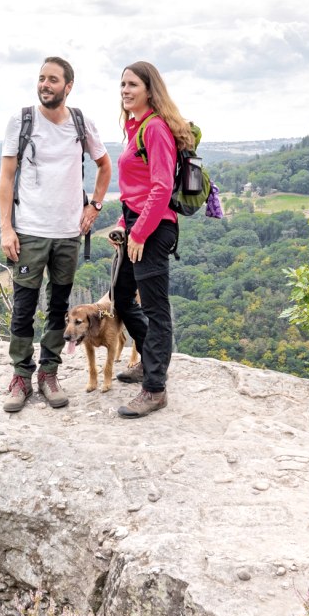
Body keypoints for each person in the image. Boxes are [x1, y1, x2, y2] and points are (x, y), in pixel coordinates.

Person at [0, 56, 112, 413]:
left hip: (67, 233)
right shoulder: (22, 119)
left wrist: (94, 206)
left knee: (59, 307)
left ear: (68, 86)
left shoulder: (80, 122)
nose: (45, 84)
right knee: (24, 307)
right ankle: (20, 377)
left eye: (53, 79)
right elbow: (5, 178)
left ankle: (48, 373)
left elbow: (105, 166)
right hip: (29, 231)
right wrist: (6, 227)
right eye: (41, 78)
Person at [110, 60, 193, 418]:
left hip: (155, 228)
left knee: (156, 309)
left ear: (149, 90)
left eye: (132, 85)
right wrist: (123, 225)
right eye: (123, 85)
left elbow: (160, 188)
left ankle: (155, 389)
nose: (126, 91)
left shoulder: (155, 128)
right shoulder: (136, 127)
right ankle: (149, 361)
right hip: (136, 223)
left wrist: (140, 231)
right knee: (121, 296)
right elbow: (136, 187)